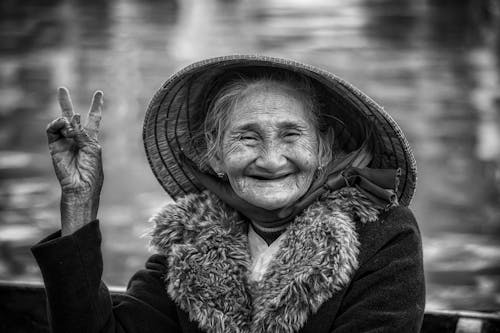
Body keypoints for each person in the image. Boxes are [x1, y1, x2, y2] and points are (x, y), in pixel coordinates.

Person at [32, 55, 425, 333]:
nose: (271, 161)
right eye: (246, 137)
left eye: (291, 135)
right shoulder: (187, 247)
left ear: (323, 148)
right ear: (215, 155)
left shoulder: (383, 235)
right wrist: (80, 200)